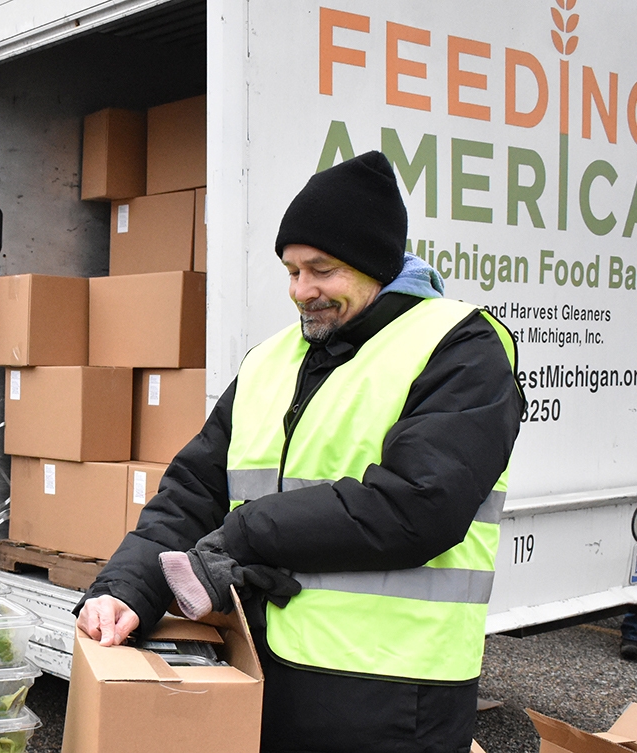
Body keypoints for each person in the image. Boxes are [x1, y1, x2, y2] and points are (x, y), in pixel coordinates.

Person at [75, 151, 524, 753]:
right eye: (290, 271)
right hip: (266, 672)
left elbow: (420, 504)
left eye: (322, 270)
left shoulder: (460, 345)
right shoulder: (270, 359)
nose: (301, 291)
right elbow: (193, 492)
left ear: (377, 263)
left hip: (393, 697)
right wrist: (126, 588)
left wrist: (245, 535)